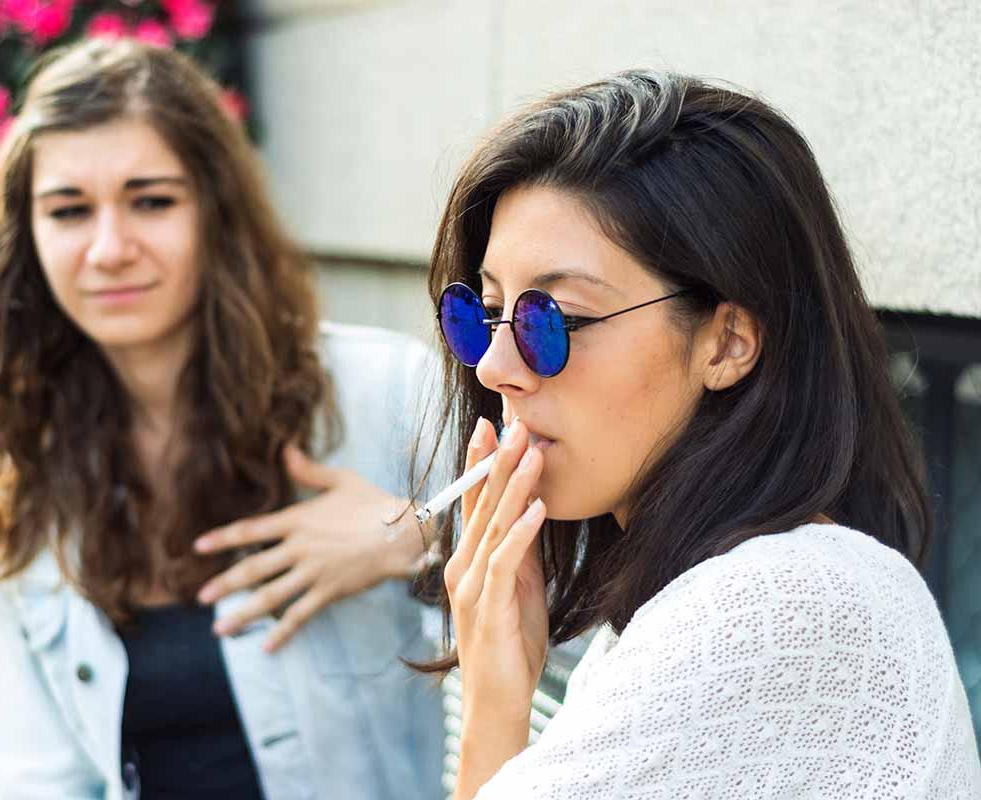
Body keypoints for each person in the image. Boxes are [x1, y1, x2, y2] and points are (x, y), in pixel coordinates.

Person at [420, 70, 981, 798]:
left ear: (727, 344)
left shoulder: (777, 606)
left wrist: (493, 710)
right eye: (483, 311)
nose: (496, 367)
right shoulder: (715, 592)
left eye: (551, 320)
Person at [0, 39, 443, 800]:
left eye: (152, 201)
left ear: (216, 212)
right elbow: (38, 774)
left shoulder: (385, 393)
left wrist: (420, 538)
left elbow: (568, 606)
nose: (110, 249)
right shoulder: (7, 466)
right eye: (69, 211)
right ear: (27, 237)